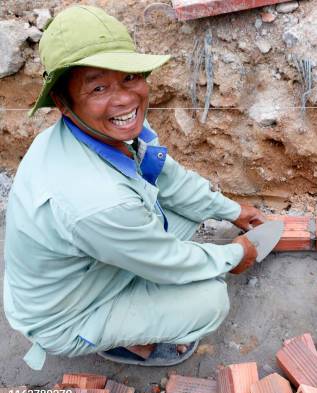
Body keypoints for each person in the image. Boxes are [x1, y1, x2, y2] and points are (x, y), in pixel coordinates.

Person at [2, 5, 263, 370]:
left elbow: (167, 176)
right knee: (210, 300)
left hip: (88, 263)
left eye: (129, 78)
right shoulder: (96, 200)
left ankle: (130, 296)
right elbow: (168, 262)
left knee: (179, 211)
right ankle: (126, 342)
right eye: (98, 87)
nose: (124, 98)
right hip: (66, 314)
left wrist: (232, 210)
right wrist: (235, 256)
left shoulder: (100, 131)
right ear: (63, 102)